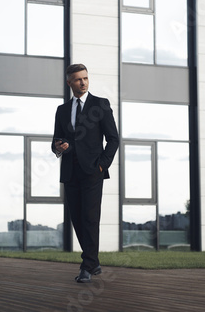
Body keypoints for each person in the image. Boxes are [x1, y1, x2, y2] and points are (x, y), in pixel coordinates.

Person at [52, 64, 119, 283]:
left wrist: (102, 165)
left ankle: (87, 265)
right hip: (70, 172)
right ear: (69, 82)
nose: (83, 82)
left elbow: (113, 139)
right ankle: (95, 262)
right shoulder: (62, 110)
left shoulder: (100, 104)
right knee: (77, 219)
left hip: (93, 172)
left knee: (90, 218)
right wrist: (59, 147)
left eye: (86, 78)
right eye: (78, 79)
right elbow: (57, 140)